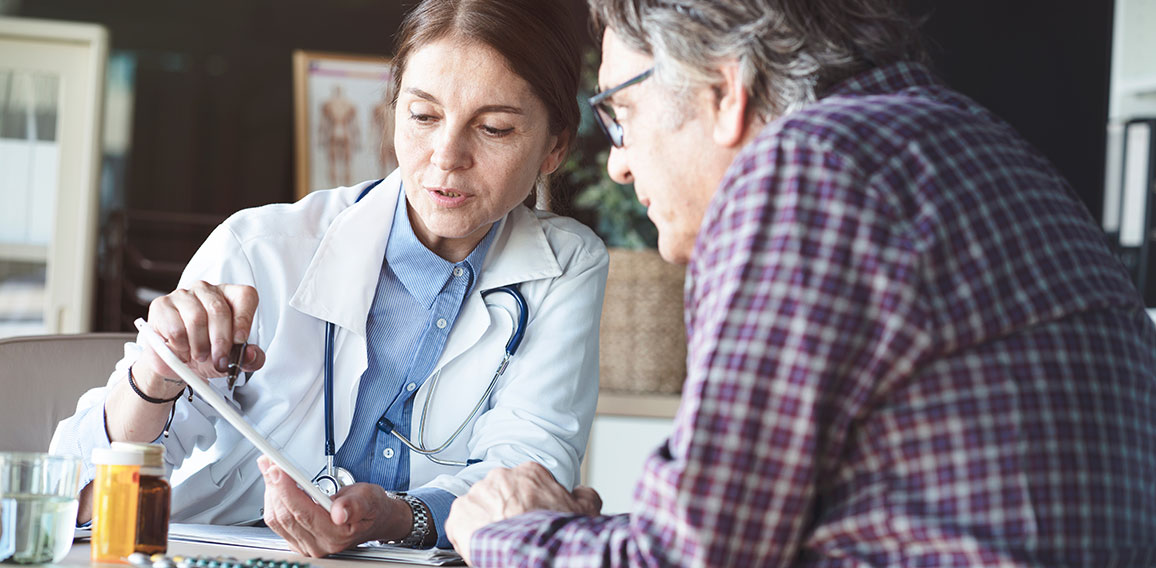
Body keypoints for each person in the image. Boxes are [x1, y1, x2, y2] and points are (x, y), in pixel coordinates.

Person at [444, 0, 1156, 565]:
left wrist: (509, 534)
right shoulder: (985, 148)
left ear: (724, 88)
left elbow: (691, 557)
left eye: (621, 115)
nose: (618, 167)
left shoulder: (808, 168)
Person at [51, 0, 607, 556]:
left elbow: (527, 478)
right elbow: (75, 494)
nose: (446, 156)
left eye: (494, 128)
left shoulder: (566, 265)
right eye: (423, 116)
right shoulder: (260, 250)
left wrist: (397, 517)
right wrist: (155, 379)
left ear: (554, 146)